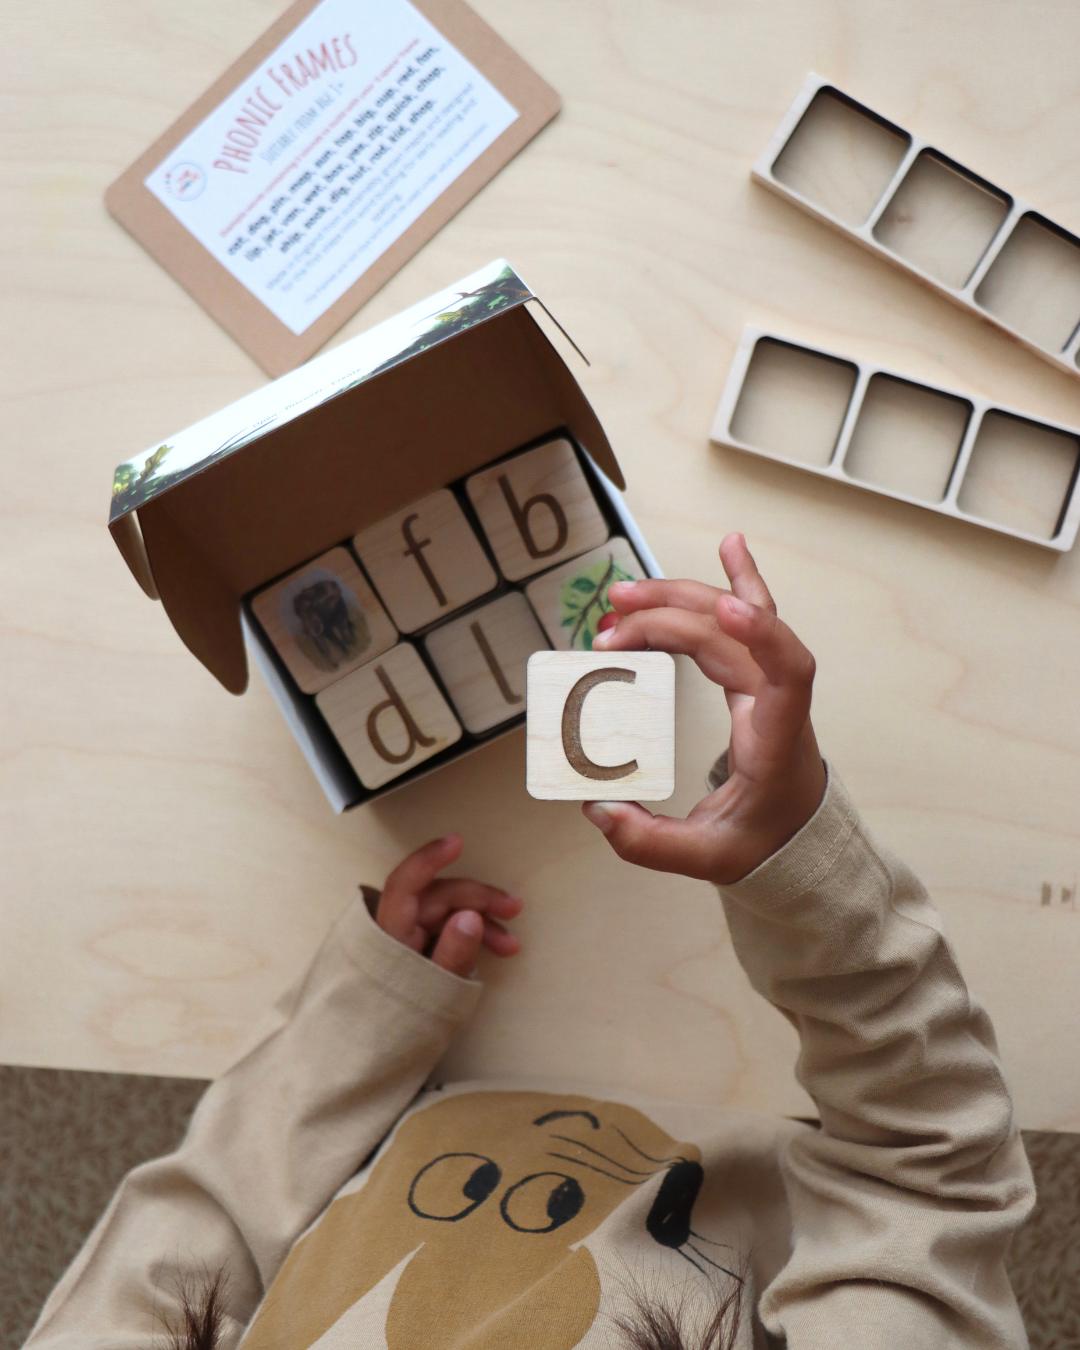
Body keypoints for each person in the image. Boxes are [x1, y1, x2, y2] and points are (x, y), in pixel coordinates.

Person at [25, 535, 1034, 1349]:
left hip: (409, 1092)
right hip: (775, 1119)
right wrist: (799, 855)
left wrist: (350, 1029)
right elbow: (923, 1175)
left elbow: (174, 1260)